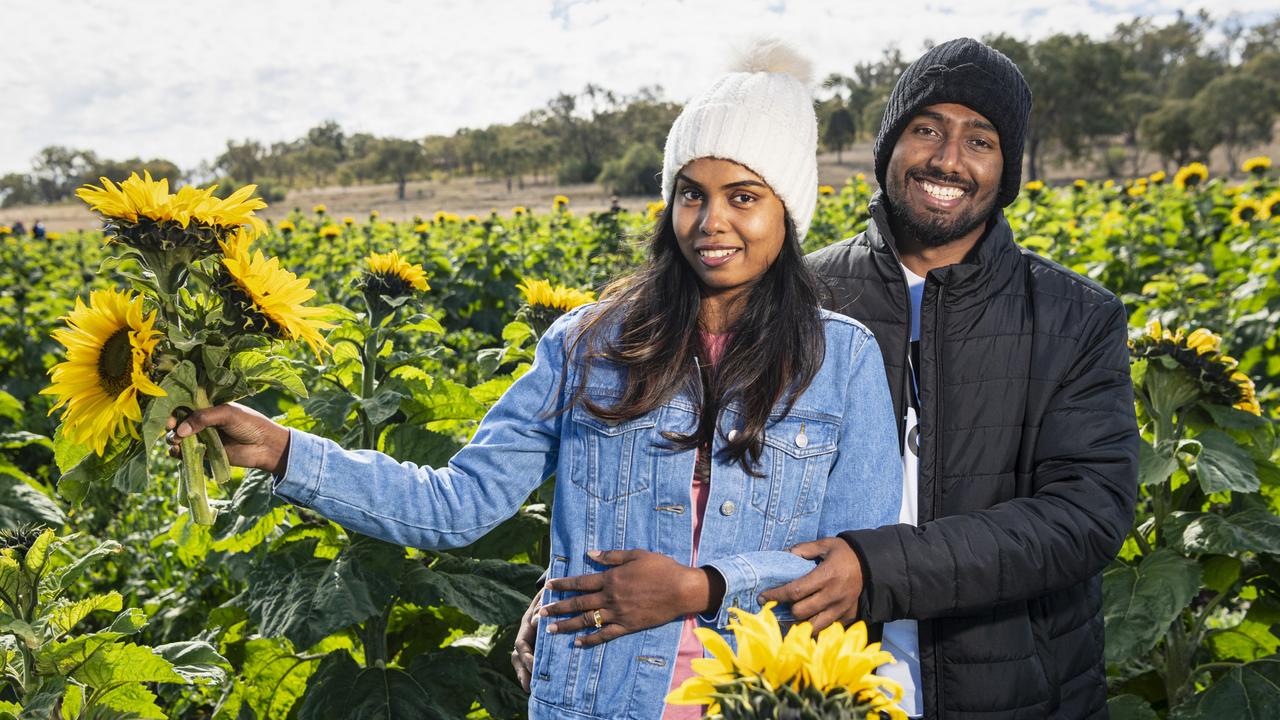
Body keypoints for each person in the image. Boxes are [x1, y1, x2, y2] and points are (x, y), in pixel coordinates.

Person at [168, 40, 903, 720]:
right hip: (596, 697)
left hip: (763, 699)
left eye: (744, 196)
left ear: (787, 211)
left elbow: (849, 569)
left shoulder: (841, 361)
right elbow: (457, 505)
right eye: (691, 193)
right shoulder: (589, 345)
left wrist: (699, 587)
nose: (711, 220)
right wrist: (281, 450)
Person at [518, 38, 1140, 719]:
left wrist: (877, 569)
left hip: (1010, 685)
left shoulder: (1074, 316)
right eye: (925, 129)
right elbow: (674, 465)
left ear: (1007, 165)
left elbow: (1084, 516)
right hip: (803, 680)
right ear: (887, 148)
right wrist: (585, 579)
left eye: (980, 140)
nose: (946, 159)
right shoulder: (795, 298)